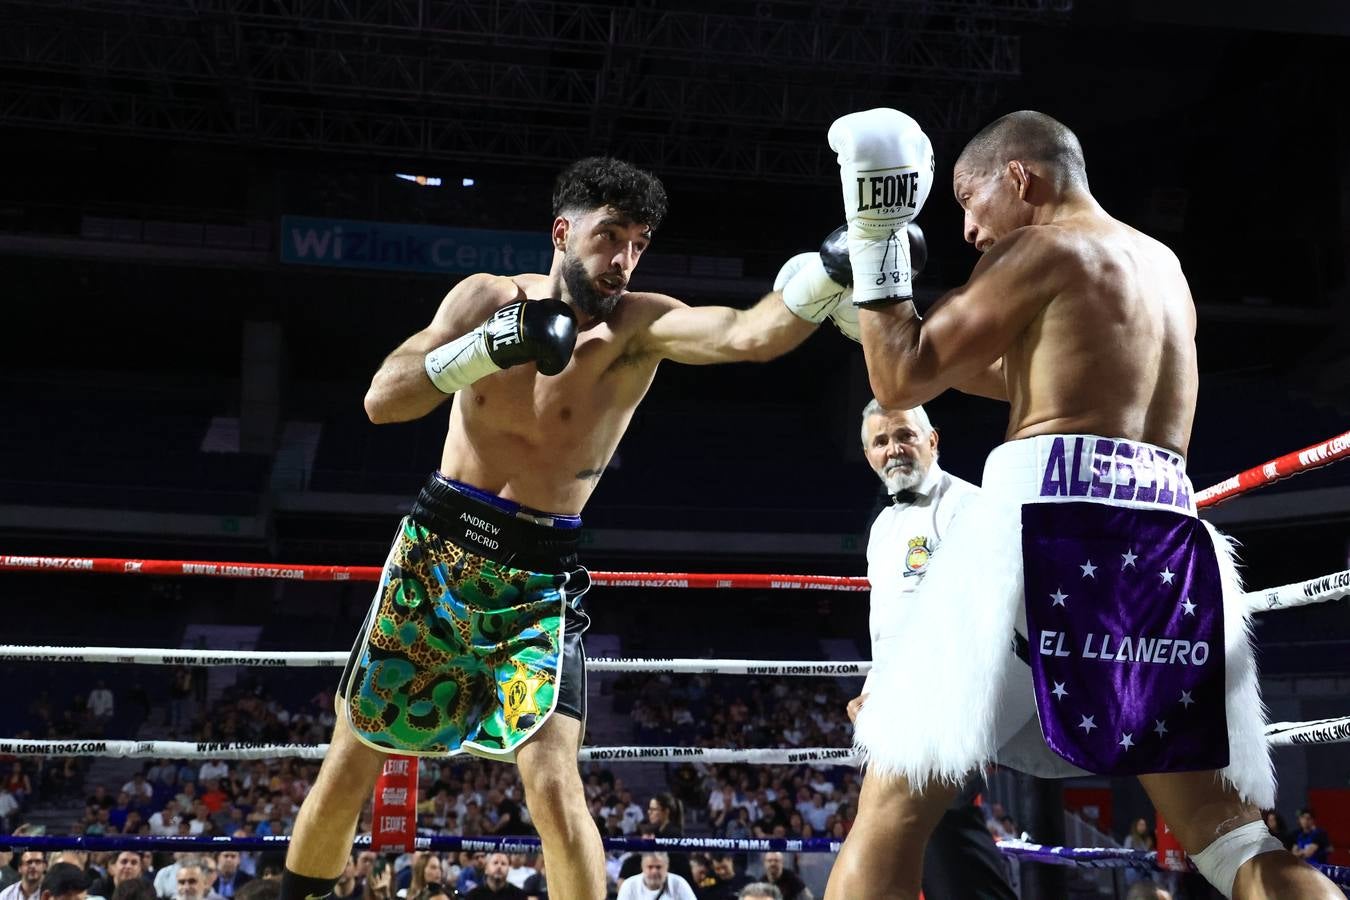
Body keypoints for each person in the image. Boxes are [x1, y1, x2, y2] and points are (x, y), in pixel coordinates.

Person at [282, 156, 849, 900]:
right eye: (609, 235)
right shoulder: (485, 297)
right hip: (439, 553)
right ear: (562, 230)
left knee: (553, 784)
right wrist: (484, 348)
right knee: (354, 757)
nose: (622, 259)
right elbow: (383, 401)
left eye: (638, 243)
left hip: (540, 578)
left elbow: (749, 334)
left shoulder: (640, 327)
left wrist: (841, 262)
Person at [822, 106, 1341, 899]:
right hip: (1164, 545)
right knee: (1223, 829)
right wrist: (869, 326)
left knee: (893, 803)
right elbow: (1023, 374)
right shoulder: (1160, 264)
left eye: (970, 200)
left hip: (1046, 530)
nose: (966, 229)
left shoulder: (1041, 246)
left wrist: (874, 252)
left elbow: (901, 382)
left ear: (1020, 179)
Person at [840, 399, 1014, 900]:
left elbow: (984, 612)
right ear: (868, 454)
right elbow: (891, 627)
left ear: (932, 439)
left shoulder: (968, 506)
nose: (893, 449)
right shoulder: (882, 528)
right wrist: (874, 693)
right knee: (925, 845)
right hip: (902, 706)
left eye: (904, 436)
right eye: (880, 442)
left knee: (932, 831)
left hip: (946, 699)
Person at [615, 854, 695, 900]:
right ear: (642, 867)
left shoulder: (679, 883)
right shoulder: (629, 885)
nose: (654, 871)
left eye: (658, 867)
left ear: (666, 867)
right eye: (650, 867)